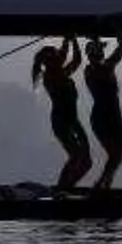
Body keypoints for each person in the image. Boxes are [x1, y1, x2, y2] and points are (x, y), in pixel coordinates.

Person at [32, 37, 93, 190]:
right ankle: (61, 188)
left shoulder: (61, 72)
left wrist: (70, 40)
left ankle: (66, 186)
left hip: (72, 119)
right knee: (76, 157)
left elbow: (75, 59)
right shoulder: (52, 76)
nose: (60, 54)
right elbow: (71, 58)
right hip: (62, 121)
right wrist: (70, 41)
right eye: (57, 54)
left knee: (86, 161)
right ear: (51, 60)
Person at [83, 37, 122, 190]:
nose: (103, 52)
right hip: (104, 117)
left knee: (117, 157)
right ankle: (100, 185)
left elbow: (121, 47)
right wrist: (118, 31)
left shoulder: (94, 69)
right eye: (100, 50)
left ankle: (106, 185)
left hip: (111, 115)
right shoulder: (101, 68)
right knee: (115, 156)